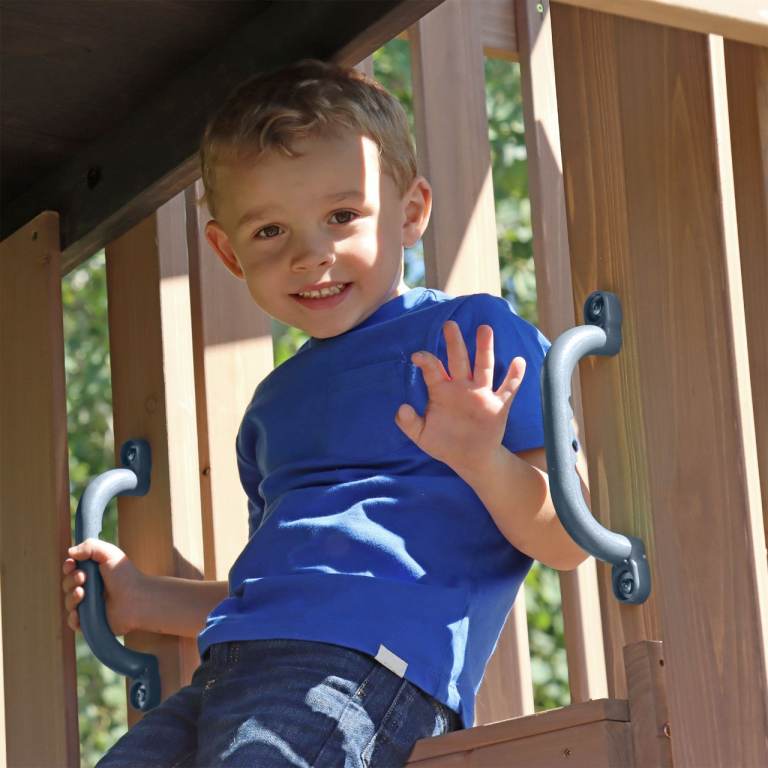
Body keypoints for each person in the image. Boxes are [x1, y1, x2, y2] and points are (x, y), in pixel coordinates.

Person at [62, 58, 589, 767]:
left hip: (369, 671)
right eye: (271, 232)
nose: (313, 255)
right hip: (231, 670)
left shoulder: (469, 339)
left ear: (411, 213)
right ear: (227, 251)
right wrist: (146, 600)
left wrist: (478, 456)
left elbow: (567, 541)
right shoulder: (275, 406)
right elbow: (279, 587)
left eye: (343, 216)